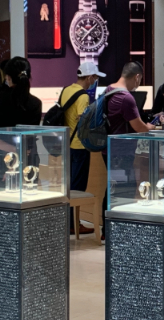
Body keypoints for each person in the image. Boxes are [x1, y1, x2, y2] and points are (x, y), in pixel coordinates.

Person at [101, 61, 157, 242]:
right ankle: (116, 232)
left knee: (113, 189)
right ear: (137, 77)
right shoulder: (126, 98)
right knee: (123, 190)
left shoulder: (109, 90)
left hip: (109, 149)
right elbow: (139, 127)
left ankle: (108, 230)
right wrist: (150, 127)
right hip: (121, 153)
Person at [0, 57, 43, 189]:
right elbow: (30, 137)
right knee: (29, 196)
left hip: (2, 159)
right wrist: (20, 152)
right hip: (28, 161)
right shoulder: (35, 103)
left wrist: (13, 151)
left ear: (7, 77)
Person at [62, 62, 105, 235]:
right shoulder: (83, 96)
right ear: (89, 77)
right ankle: (74, 224)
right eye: (95, 78)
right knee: (78, 188)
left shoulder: (66, 90)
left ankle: (69, 222)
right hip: (79, 146)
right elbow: (84, 122)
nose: (95, 81)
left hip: (67, 144)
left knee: (70, 186)